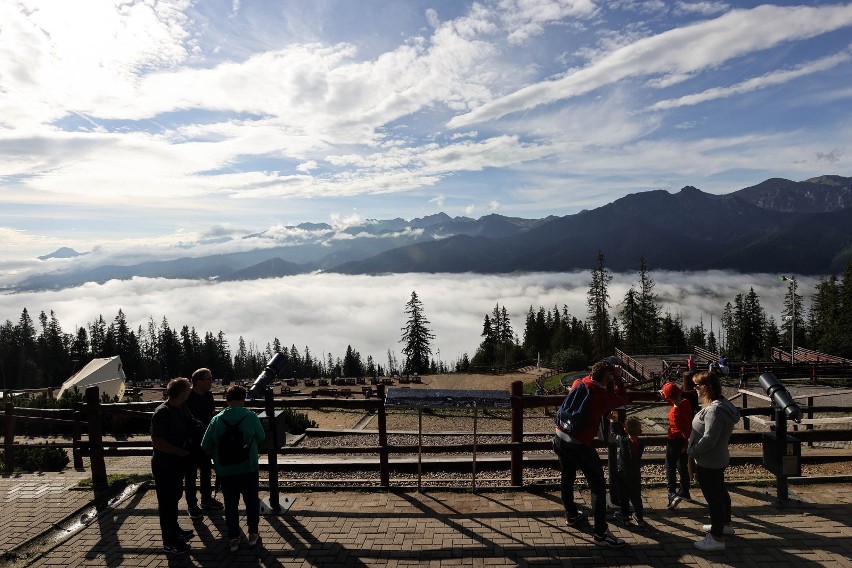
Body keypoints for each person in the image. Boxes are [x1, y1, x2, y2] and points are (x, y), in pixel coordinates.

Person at [553, 360, 628, 548]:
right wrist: (618, 378)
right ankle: (601, 533)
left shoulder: (579, 383)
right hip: (579, 444)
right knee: (598, 487)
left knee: (567, 475)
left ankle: (571, 515)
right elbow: (623, 399)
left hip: (560, 436)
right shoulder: (601, 396)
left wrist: (609, 372)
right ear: (606, 377)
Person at [201, 385, 266, 552]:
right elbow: (261, 437)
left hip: (225, 470)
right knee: (251, 502)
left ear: (227, 400)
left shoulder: (217, 419)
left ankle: (233, 538)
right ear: (243, 399)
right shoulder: (250, 416)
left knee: (231, 504)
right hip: (248, 467)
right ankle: (253, 534)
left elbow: (205, 444)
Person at [688, 371, 740, 552]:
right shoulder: (722, 404)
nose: (694, 389)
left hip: (709, 461)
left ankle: (716, 538)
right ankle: (725, 524)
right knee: (720, 492)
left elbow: (710, 439)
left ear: (706, 387)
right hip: (717, 459)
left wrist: (692, 451)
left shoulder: (715, 411)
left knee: (714, 499)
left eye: (697, 385)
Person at [150, 377, 199, 555]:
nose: (190, 390)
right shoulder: (162, 412)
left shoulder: (182, 407)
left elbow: (192, 423)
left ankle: (175, 530)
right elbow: (157, 441)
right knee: (167, 503)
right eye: (188, 388)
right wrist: (178, 451)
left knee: (175, 497)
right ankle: (169, 542)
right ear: (180, 392)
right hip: (165, 464)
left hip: (178, 463)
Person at [184, 367, 224, 519]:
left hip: (206, 439)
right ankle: (192, 505)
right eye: (209, 379)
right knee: (190, 475)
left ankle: (206, 500)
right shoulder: (187, 397)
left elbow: (210, 415)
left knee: (206, 471)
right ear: (199, 381)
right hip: (191, 442)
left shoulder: (208, 395)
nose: (211, 382)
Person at [608, 412, 646, 528]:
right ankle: (639, 517)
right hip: (635, 473)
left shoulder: (623, 441)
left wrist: (613, 422)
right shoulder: (641, 443)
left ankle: (625, 517)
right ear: (640, 431)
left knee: (623, 496)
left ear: (625, 430)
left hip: (623, 473)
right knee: (636, 496)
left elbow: (614, 435)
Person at [659, 381, 692, 509]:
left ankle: (671, 492)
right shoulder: (686, 403)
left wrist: (686, 444)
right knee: (682, 465)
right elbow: (676, 403)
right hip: (683, 440)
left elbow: (684, 431)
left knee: (670, 466)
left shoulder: (674, 414)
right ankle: (685, 491)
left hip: (675, 440)